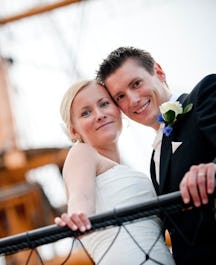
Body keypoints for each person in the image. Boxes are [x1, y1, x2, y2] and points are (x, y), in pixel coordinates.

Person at [95, 46, 216, 265]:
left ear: (158, 72)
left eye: (136, 84)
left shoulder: (206, 93)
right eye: (120, 96)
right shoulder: (154, 159)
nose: (132, 100)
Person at [54, 79, 175, 264]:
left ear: (118, 109)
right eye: (86, 113)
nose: (99, 115)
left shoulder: (129, 169)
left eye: (104, 104)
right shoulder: (82, 152)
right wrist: (78, 216)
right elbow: (81, 196)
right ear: (74, 131)